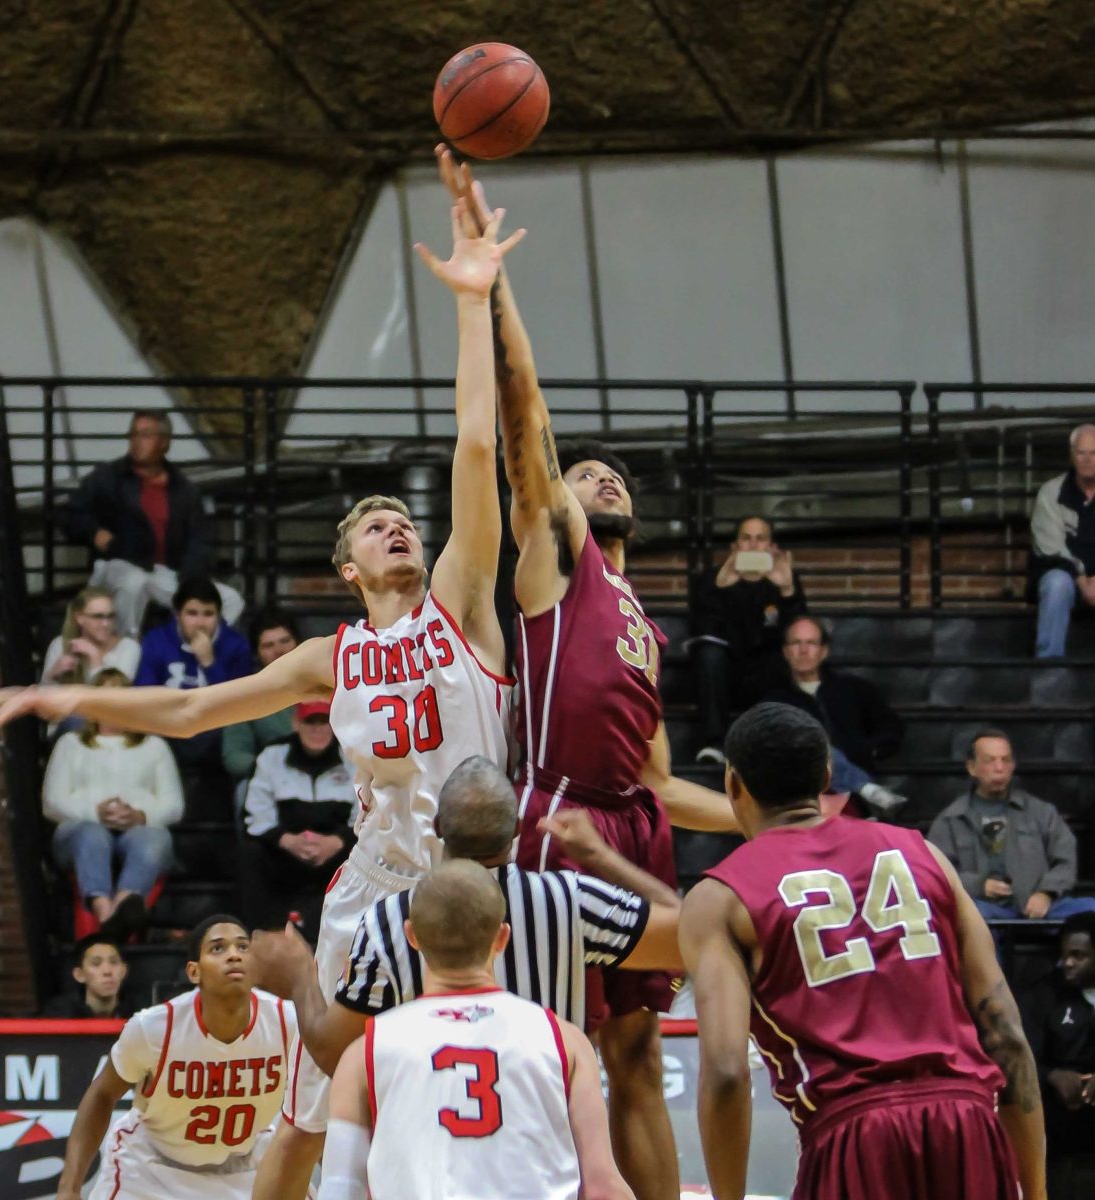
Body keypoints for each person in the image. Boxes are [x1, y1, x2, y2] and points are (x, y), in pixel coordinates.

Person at [0, 201, 523, 1200]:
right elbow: (193, 713)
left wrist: (470, 299)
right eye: (374, 528)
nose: (397, 530)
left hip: (480, 872)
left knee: (496, 1095)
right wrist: (54, 691)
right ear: (345, 565)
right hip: (373, 882)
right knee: (312, 1112)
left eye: (404, 522)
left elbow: (474, 445)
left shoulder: (459, 607)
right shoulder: (333, 654)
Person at [439, 148, 735, 1200]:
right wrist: (495, 282)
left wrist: (762, 822)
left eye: (614, 476)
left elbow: (655, 777)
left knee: (637, 1061)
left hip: (632, 822)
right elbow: (527, 413)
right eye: (581, 470)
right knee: (560, 1050)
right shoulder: (555, 555)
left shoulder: (639, 621)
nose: (595, 473)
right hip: (555, 816)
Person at [680, 702, 1045, 1200]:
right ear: (827, 775)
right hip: (969, 1124)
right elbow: (1007, 1035)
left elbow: (725, 1072)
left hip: (854, 1133)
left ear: (733, 784)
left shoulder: (719, 897)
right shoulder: (923, 853)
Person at [251, 755, 682, 1075]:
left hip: (434, 1158)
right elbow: (686, 934)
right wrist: (599, 855)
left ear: (437, 827)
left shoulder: (389, 919)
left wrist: (300, 978)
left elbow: (331, 1054)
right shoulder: (570, 899)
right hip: (545, 1155)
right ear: (517, 829)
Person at [320, 860, 634, 1200]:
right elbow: (603, 1189)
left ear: (412, 936)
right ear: (502, 938)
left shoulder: (365, 1051)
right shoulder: (565, 1040)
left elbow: (339, 1190)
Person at [53, 915, 298, 1200]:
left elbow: (320, 1103)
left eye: (243, 947)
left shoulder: (287, 1022)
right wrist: (69, 1188)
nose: (233, 955)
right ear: (194, 972)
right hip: (152, 1170)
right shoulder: (154, 1028)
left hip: (249, 1166)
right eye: (218, 948)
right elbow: (102, 1094)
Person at [61, 408, 244, 636]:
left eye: (145, 435)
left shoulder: (183, 489)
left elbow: (200, 540)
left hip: (167, 573)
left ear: (164, 443)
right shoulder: (109, 477)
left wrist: (190, 581)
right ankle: (125, 654)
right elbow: (72, 512)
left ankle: (187, 653)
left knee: (231, 599)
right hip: (120, 563)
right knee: (134, 583)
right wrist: (95, 533)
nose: (137, 442)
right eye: (133, 434)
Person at [44, 668, 183, 939]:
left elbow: (174, 805)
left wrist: (140, 815)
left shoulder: (154, 746)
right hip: (79, 831)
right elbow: (52, 802)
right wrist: (95, 811)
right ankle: (104, 910)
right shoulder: (70, 744)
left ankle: (123, 905)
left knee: (155, 837)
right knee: (92, 835)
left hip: (138, 830)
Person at [928, 729, 1095, 922]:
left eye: (1005, 760)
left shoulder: (1041, 812)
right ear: (972, 767)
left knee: (1093, 909)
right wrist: (979, 886)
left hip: (1040, 906)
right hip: (984, 908)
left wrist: (1046, 893)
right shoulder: (951, 820)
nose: (999, 767)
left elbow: (1065, 859)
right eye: (990, 760)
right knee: (972, 916)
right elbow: (937, 873)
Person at [692, 515, 807, 764]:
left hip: (767, 676)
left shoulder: (784, 579)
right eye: (746, 538)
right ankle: (714, 744)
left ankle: (768, 745)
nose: (753, 545)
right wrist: (720, 590)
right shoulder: (714, 579)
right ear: (735, 547)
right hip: (724, 676)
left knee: (783, 658)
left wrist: (788, 592)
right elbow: (703, 630)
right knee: (709, 652)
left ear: (772, 547)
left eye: (761, 538)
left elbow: (801, 634)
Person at [240, 700, 357, 942]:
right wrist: (286, 840)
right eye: (309, 721)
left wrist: (337, 842)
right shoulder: (272, 756)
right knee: (249, 854)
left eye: (323, 721)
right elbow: (256, 815)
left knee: (363, 856)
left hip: (336, 854)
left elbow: (367, 814)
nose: (317, 729)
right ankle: (263, 933)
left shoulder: (353, 758)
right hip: (285, 852)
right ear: (296, 723)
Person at [764, 614, 907, 813]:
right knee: (815, 747)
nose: (803, 650)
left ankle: (862, 792)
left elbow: (891, 726)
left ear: (824, 651)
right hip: (805, 792)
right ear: (786, 651)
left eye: (811, 643)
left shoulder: (853, 689)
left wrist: (870, 750)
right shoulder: (774, 700)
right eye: (796, 643)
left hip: (850, 793)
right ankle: (867, 789)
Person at [1021, 912, 1095, 1199]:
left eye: (1078, 955)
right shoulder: (1044, 994)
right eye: (1064, 955)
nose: (1067, 962)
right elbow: (1023, 1054)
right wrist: (1051, 1076)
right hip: (1061, 1119)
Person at [136, 575, 254, 776]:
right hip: (168, 725)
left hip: (216, 729)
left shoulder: (236, 645)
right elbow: (143, 692)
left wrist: (209, 663)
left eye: (208, 614)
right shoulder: (156, 640)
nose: (200, 623)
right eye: (192, 613)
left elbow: (239, 703)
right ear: (177, 614)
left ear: (218, 615)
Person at [1031, 423, 1095, 658]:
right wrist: (1083, 581)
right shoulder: (1050, 493)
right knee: (1056, 584)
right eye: (1080, 452)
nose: (1087, 459)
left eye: (1093, 453)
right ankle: (1049, 670)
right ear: (1072, 455)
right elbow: (1051, 549)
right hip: (1069, 579)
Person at [222, 610, 301, 782]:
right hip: (272, 780)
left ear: (299, 643)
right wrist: (270, 768)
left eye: (285, 641)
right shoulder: (246, 696)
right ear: (257, 653)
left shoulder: (326, 684)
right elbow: (234, 757)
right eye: (268, 645)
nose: (279, 650)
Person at [41, 586, 141, 685]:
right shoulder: (60, 644)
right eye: (98, 616)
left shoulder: (128, 647)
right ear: (79, 618)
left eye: (110, 616)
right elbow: (42, 695)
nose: (105, 623)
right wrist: (51, 675)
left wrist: (95, 659)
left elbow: (114, 696)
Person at [42, 933, 135, 1018]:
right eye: (96, 963)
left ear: (123, 971)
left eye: (114, 962)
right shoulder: (59, 1015)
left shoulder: (141, 1013)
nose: (107, 971)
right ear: (79, 975)